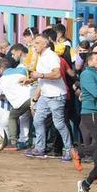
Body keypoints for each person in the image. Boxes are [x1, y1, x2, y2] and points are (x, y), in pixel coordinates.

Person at [25, 33, 74, 162]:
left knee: (59, 124)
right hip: (46, 95)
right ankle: (40, 148)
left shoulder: (51, 56)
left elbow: (57, 74)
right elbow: (43, 78)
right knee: (38, 120)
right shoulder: (42, 56)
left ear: (45, 44)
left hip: (56, 95)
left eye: (37, 43)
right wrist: (31, 80)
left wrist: (39, 75)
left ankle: (70, 150)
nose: (33, 45)